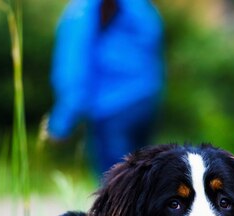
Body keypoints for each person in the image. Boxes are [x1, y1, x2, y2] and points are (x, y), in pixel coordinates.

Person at [45, 0, 164, 175]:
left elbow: (74, 66)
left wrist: (62, 121)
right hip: (145, 102)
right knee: (144, 181)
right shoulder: (142, 7)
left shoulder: (84, 10)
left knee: (116, 185)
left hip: (110, 108)